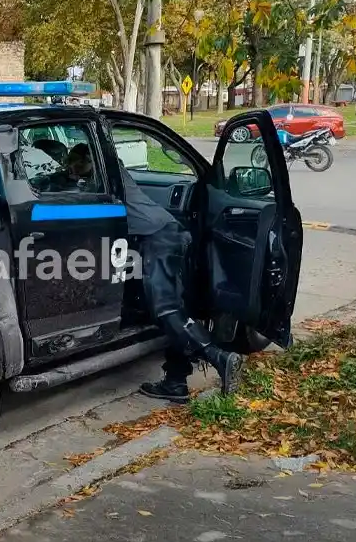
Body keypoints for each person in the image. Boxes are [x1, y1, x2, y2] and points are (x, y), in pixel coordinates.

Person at [73, 143, 243, 403]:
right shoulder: (105, 172)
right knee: (176, 309)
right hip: (164, 235)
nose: (72, 170)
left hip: (158, 239)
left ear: (91, 160)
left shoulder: (105, 175)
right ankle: (175, 382)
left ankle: (218, 356)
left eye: (76, 164)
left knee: (165, 309)